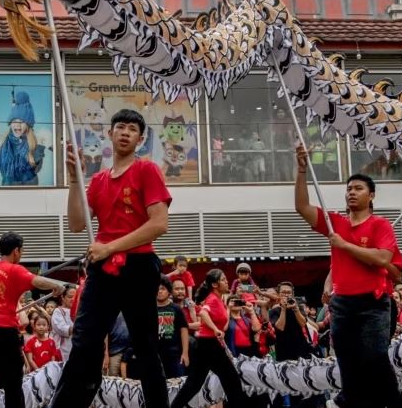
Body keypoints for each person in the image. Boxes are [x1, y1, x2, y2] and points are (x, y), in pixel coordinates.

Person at [50, 109, 173, 408]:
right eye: (120, 127)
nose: (125, 132)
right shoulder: (100, 179)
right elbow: (78, 224)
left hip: (139, 266)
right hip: (103, 269)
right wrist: (73, 180)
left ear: (140, 139)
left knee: (145, 347)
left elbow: (159, 224)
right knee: (84, 343)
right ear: (110, 133)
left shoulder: (146, 170)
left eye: (132, 129)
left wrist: (111, 247)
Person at [294, 144, 402, 408]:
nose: (351, 193)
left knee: (374, 355)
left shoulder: (380, 225)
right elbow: (302, 207)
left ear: (371, 195)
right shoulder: (336, 223)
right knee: (347, 359)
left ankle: (395, 399)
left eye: (358, 188)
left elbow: (383, 259)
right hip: (343, 303)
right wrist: (301, 170)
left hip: (373, 303)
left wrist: (345, 245)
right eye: (348, 189)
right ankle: (352, 401)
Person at [0, 232, 63, 408]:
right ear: (16, 251)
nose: (21, 254)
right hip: (5, 332)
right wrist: (56, 286)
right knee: (13, 382)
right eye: (21, 251)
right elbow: (37, 281)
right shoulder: (15, 270)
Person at [169, 269, 252, 408]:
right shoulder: (212, 299)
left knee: (195, 384)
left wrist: (226, 314)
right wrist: (214, 329)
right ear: (214, 284)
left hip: (209, 345)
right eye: (223, 279)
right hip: (209, 345)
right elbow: (202, 313)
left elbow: (224, 327)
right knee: (232, 382)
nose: (227, 282)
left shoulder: (220, 300)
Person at [156, 275, 190, 378]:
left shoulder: (176, 309)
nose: (159, 291)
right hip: (155, 355)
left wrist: (185, 353)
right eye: (157, 289)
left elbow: (184, 331)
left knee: (177, 385)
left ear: (169, 291)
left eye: (163, 289)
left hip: (174, 355)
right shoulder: (148, 309)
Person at [50, 285, 76, 361]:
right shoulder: (58, 311)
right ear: (63, 297)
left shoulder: (80, 312)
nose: (73, 299)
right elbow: (61, 329)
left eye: (75, 297)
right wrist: (80, 327)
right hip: (63, 351)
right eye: (70, 297)